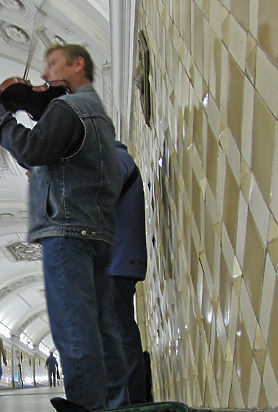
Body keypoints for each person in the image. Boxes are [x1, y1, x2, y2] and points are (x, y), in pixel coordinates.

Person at [0, 44, 129, 411]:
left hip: (67, 233)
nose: (43, 75)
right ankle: (118, 405)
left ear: (79, 64)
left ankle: (87, 406)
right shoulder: (99, 116)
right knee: (106, 329)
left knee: (74, 330)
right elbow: (64, 158)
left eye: (53, 64)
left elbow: (30, 148)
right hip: (100, 233)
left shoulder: (68, 107)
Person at [106, 141, 148, 404]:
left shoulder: (116, 157)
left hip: (115, 263)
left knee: (120, 338)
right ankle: (124, 402)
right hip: (112, 263)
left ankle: (127, 404)